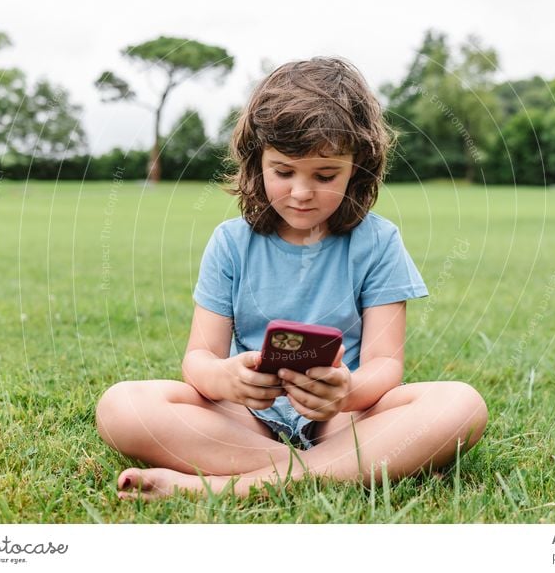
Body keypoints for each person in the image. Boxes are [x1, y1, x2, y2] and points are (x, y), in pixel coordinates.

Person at [96, 57, 488, 500]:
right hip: (247, 418)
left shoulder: (378, 242)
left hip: (341, 418)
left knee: (461, 404)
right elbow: (198, 360)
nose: (301, 193)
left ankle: (233, 487)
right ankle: (350, 468)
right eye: (283, 172)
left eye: (325, 175)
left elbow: (384, 366)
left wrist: (346, 392)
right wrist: (225, 379)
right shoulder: (230, 243)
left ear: (358, 169)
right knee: (121, 407)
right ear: (256, 162)